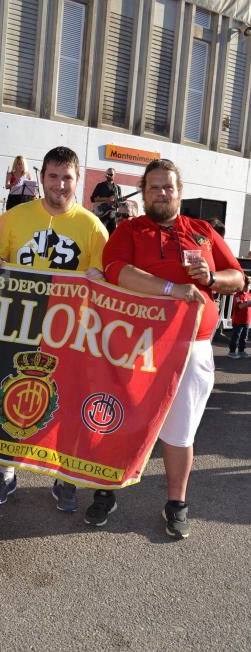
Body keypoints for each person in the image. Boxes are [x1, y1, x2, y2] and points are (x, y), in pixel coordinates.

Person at [99, 158, 243, 538]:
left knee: (181, 432)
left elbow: (238, 277)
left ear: (179, 192)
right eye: (154, 187)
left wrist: (211, 277)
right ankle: (106, 489)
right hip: (137, 347)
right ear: (143, 193)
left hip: (192, 348)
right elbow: (115, 269)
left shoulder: (202, 231)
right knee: (119, 423)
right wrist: (171, 289)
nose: (162, 193)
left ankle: (177, 503)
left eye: (169, 187)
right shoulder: (130, 229)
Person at [0, 146, 109, 511]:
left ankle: (64, 476)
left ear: (77, 179)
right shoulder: (14, 217)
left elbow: (105, 282)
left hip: (69, 331)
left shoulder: (93, 228)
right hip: (18, 326)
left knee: (68, 402)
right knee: (12, 397)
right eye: (53, 176)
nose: (59, 185)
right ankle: (6, 471)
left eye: (67, 177)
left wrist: (100, 277)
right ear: (42, 179)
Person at [90, 167, 122, 234]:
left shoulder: (117, 188)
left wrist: (118, 202)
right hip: (101, 214)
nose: (109, 176)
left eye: (111, 174)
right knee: (99, 234)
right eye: (108, 174)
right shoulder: (100, 186)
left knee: (111, 237)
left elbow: (119, 204)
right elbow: (93, 199)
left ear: (114, 175)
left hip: (112, 217)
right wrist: (107, 199)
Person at [227, 276, 251, 358]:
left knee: (244, 337)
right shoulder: (237, 295)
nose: (248, 287)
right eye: (246, 286)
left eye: (248, 286)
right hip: (238, 321)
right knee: (236, 336)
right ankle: (232, 352)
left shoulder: (248, 294)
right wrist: (249, 303)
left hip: (246, 321)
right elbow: (240, 306)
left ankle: (241, 351)